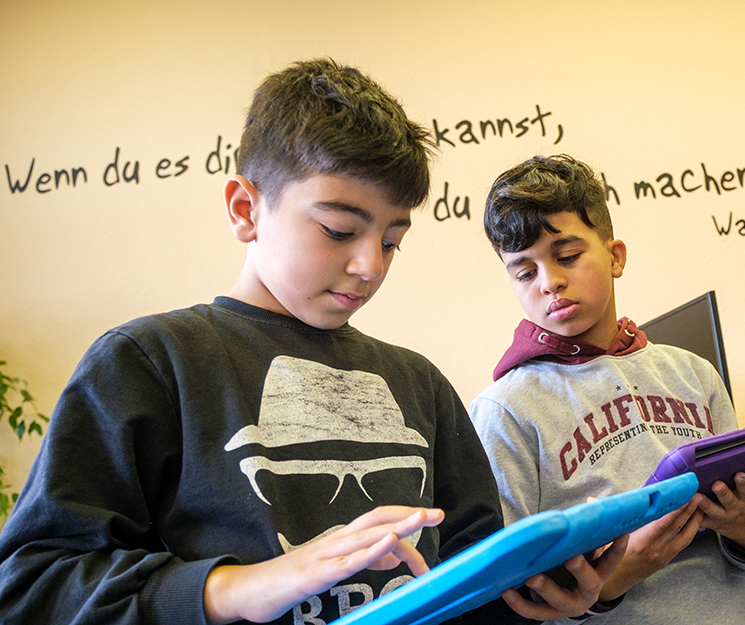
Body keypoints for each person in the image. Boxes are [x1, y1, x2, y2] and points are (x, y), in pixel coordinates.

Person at [0, 59, 625, 625]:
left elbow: (471, 584)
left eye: (390, 240)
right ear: (246, 208)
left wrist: (546, 598)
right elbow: (32, 586)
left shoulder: (420, 385)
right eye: (338, 230)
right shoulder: (149, 364)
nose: (369, 266)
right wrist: (244, 586)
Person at [471, 154, 745, 624]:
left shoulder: (696, 375)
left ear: (615, 256)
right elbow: (507, 596)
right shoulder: (506, 410)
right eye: (525, 272)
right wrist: (615, 577)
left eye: (567, 256)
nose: (551, 282)